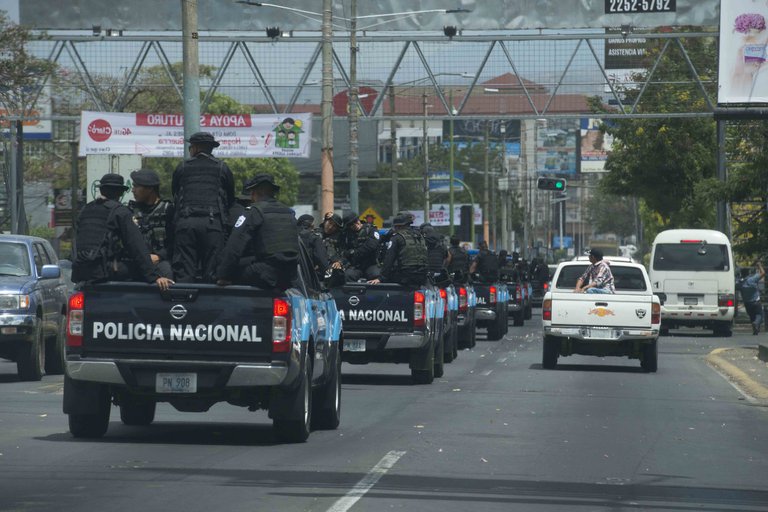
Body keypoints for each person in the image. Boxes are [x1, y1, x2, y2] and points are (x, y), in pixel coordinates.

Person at [72, 174, 173, 290]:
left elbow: (75, 242)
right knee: (158, 268)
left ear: (101, 189)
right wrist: (154, 277)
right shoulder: (120, 212)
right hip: (103, 271)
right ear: (120, 192)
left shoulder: (85, 210)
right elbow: (136, 246)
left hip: (80, 271)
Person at [215, 174, 299, 291]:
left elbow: (234, 247)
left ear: (255, 192)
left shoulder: (254, 211)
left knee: (225, 272)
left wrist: (223, 275)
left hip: (266, 274)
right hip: (290, 276)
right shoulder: (288, 213)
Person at [171, 131, 235, 283]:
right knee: (212, 272)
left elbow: (175, 194)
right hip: (213, 225)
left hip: (186, 223)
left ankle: (184, 297)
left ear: (195, 148)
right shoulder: (222, 168)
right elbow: (230, 198)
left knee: (185, 271)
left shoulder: (182, 167)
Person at [128, 168, 174, 279]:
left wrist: (159, 256)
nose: (133, 190)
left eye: (136, 186)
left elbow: (176, 241)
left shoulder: (168, 209)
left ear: (150, 189)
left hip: (159, 261)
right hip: (136, 261)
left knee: (167, 272)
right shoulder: (130, 210)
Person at [368, 214, 428, 286]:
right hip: (422, 276)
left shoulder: (397, 237)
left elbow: (389, 259)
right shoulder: (419, 236)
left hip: (406, 276)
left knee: (373, 274)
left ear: (398, 226)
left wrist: (381, 278)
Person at [341, 211, 381, 282]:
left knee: (376, 275)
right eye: (351, 224)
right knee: (347, 276)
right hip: (356, 265)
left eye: (355, 221)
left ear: (358, 219)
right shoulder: (347, 234)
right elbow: (344, 251)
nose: (355, 225)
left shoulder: (371, 230)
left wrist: (354, 252)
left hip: (371, 264)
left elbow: (371, 246)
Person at [738, 261, 765, 335]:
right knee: (759, 315)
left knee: (752, 316)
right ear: (749, 273)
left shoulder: (740, 283)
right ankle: (756, 323)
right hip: (756, 301)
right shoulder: (752, 279)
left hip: (747, 303)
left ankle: (755, 330)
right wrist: (759, 265)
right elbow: (763, 273)